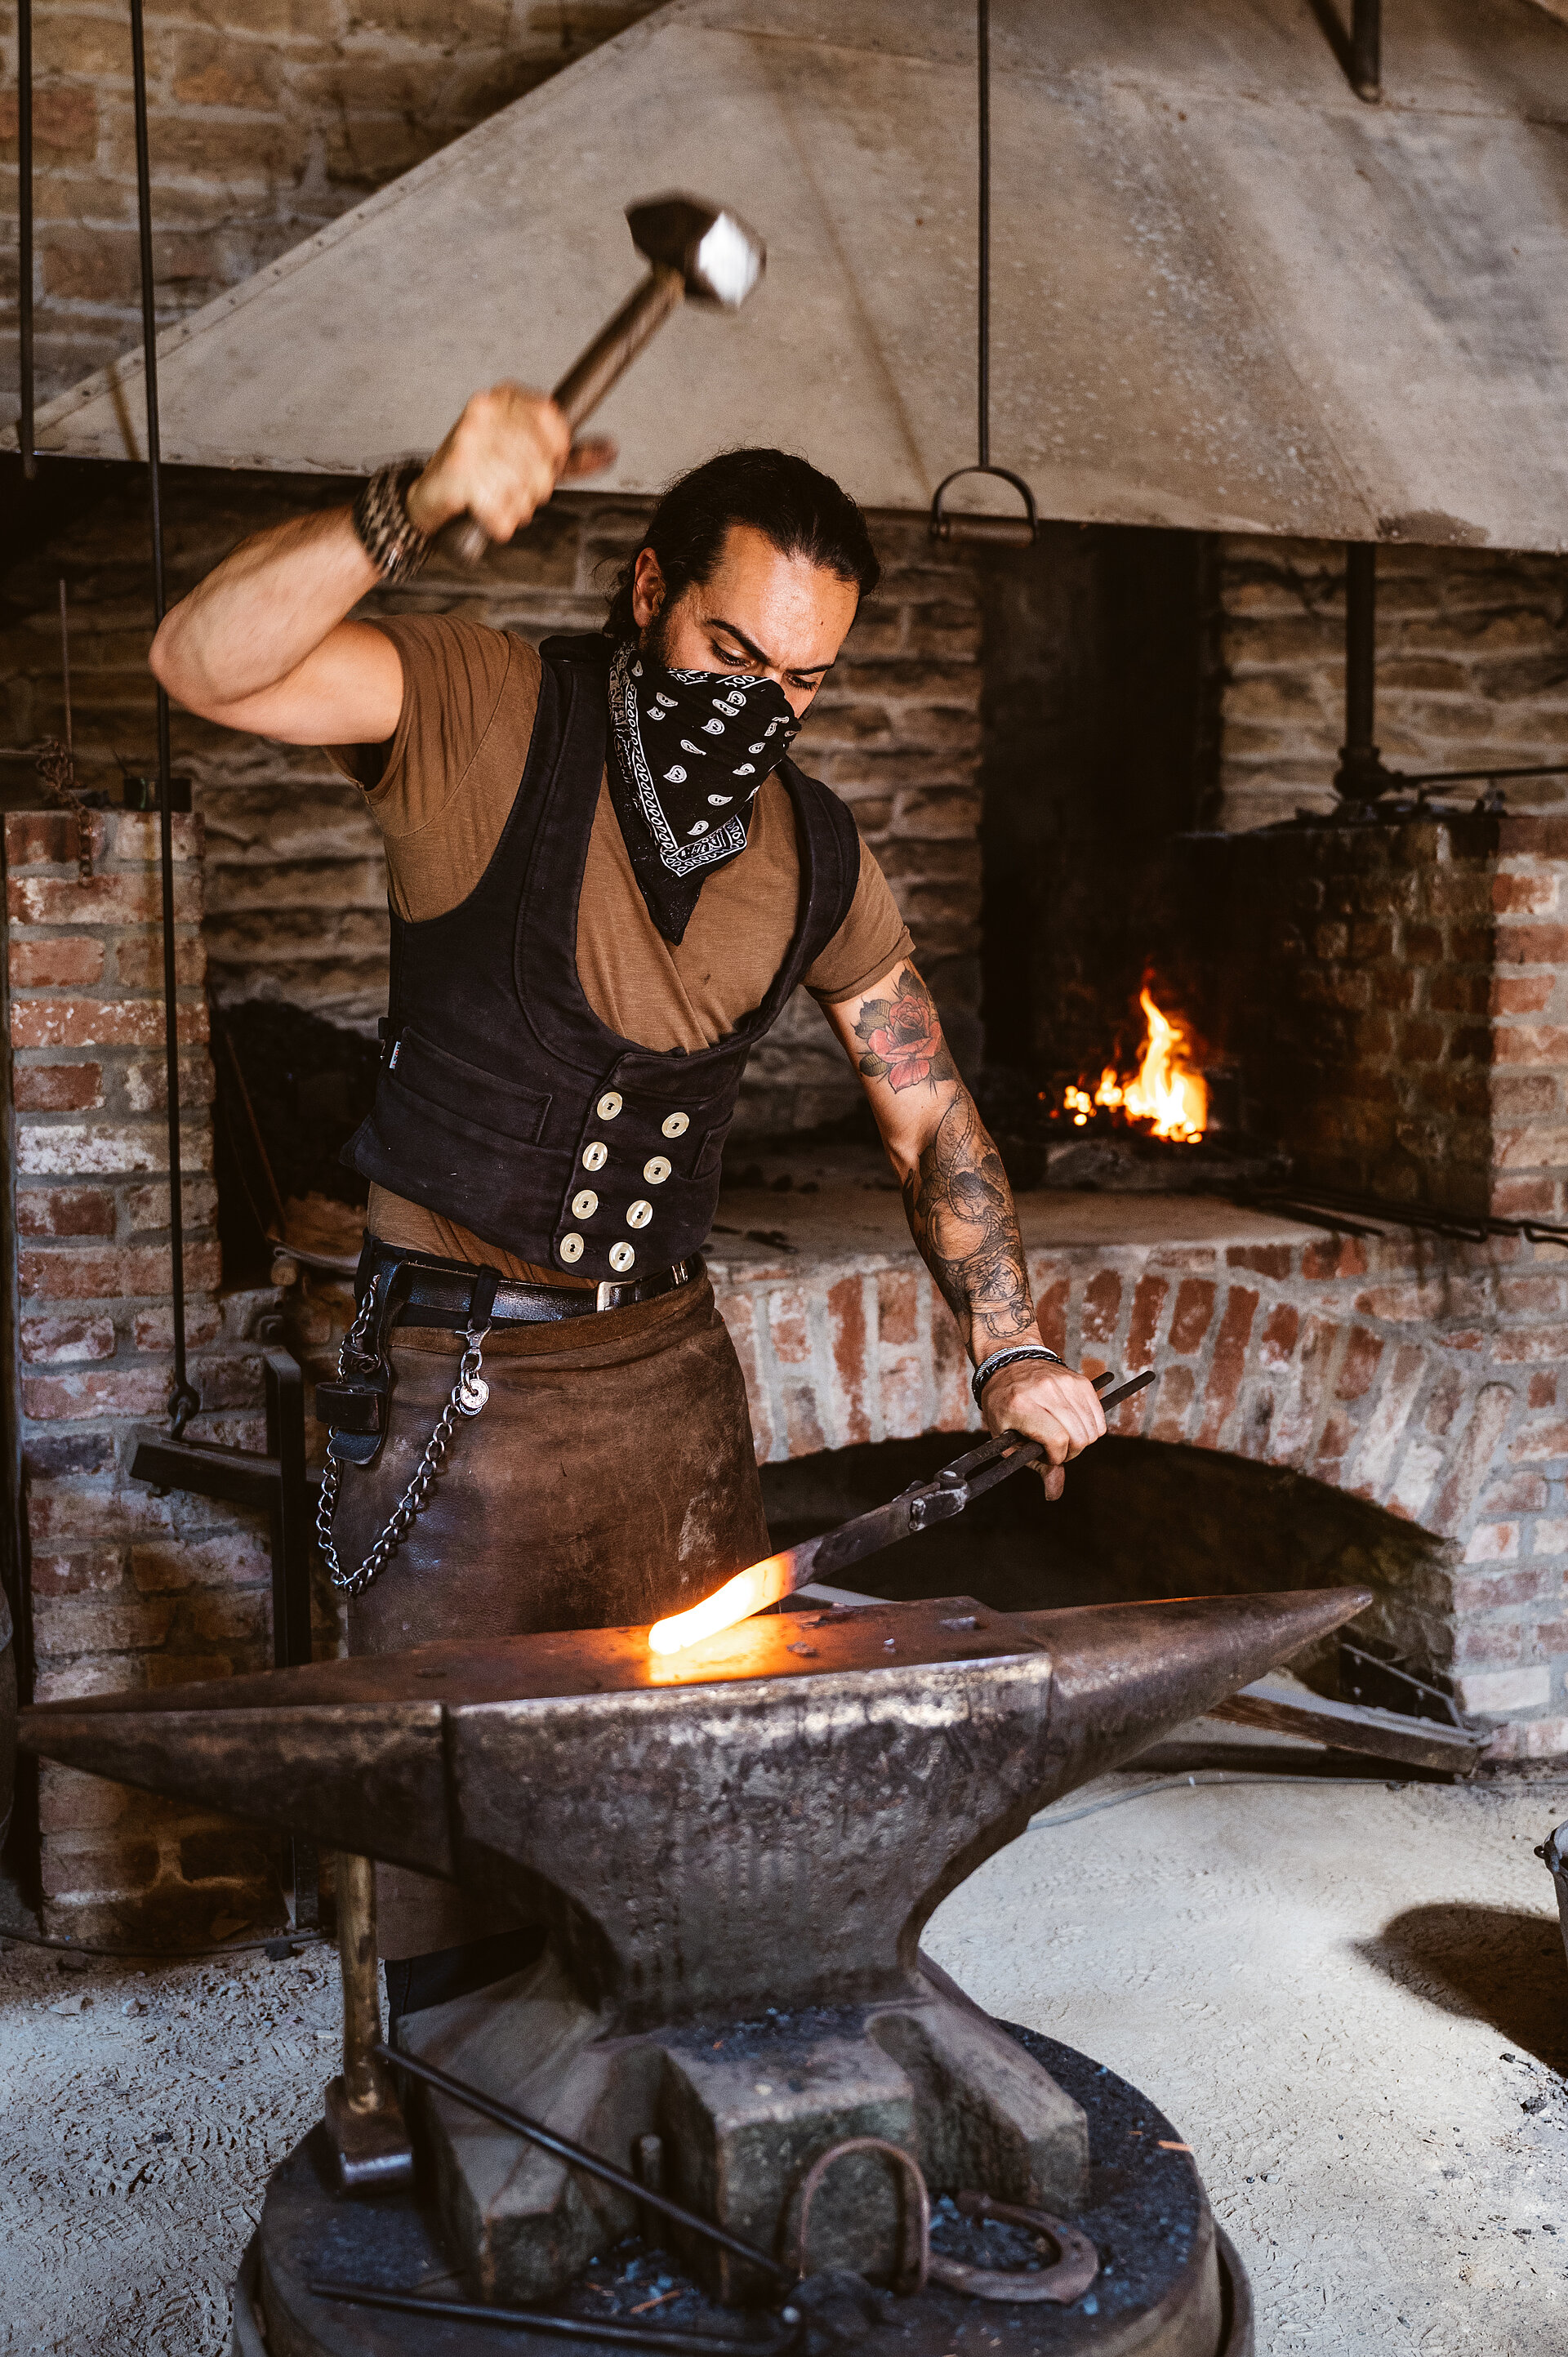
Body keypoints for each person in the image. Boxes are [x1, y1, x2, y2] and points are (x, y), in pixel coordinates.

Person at [150, 384, 1106, 2016]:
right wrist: (414, 496)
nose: (767, 705)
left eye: (805, 680)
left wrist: (1011, 1345)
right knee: (456, 1854)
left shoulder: (812, 852)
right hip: (454, 1389)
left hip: (669, 1389)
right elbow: (203, 663)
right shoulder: (481, 711)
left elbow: (922, 1095)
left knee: (694, 1814)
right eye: (737, 657)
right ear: (651, 589)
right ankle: (460, 2148)